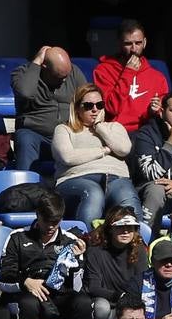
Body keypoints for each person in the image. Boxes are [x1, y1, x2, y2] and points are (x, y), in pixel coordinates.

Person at [53, 83, 143, 226]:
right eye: (88, 106)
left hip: (116, 179)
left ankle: (138, 245)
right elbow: (67, 157)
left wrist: (99, 127)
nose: (95, 110)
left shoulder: (114, 127)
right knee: (93, 192)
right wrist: (104, 151)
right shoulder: (64, 129)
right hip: (76, 180)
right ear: (77, 108)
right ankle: (85, 242)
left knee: (128, 199)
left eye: (99, 105)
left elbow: (124, 149)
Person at [12, 45, 85, 171]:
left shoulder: (73, 72)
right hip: (38, 138)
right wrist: (36, 63)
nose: (64, 80)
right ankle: (25, 187)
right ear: (44, 66)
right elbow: (26, 93)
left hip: (68, 137)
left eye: (66, 75)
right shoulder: (22, 73)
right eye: (59, 77)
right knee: (24, 137)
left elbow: (87, 97)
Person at [93, 18, 169, 133]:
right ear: (119, 44)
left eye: (138, 43)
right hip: (116, 132)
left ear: (145, 42)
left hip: (147, 132)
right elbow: (111, 109)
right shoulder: (103, 71)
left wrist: (156, 110)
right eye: (128, 44)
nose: (134, 49)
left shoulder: (158, 77)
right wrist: (128, 73)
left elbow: (165, 112)